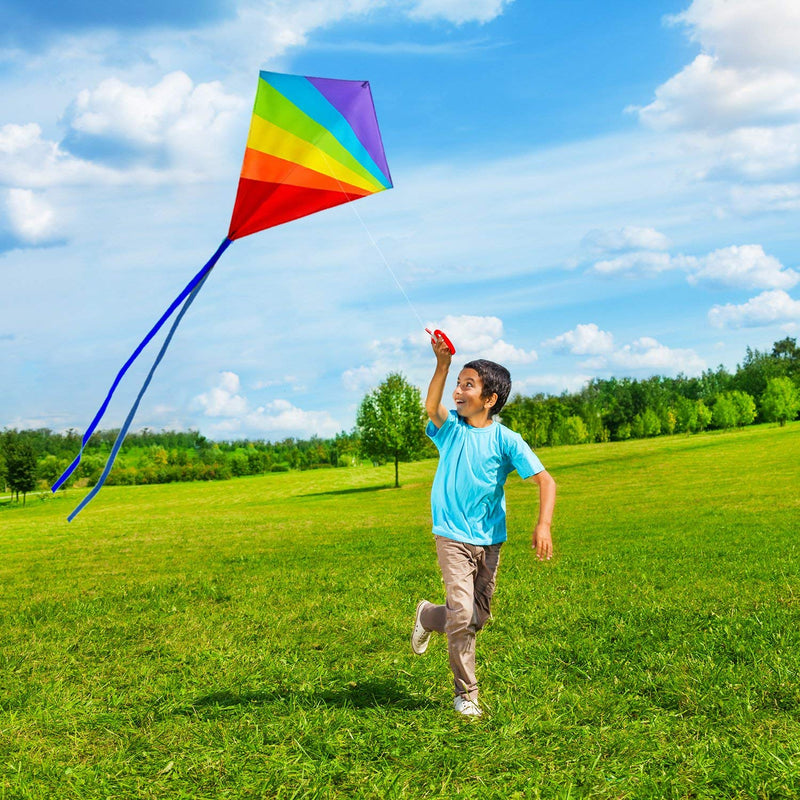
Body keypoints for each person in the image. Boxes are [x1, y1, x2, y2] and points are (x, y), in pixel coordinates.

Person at [411, 333, 556, 717]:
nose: (458, 392)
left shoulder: (507, 440)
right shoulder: (451, 430)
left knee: (477, 616)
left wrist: (543, 525)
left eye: (467, 385)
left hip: (490, 540)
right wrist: (441, 365)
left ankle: (427, 615)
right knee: (462, 615)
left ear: (490, 399)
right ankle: (466, 693)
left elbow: (546, 481)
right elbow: (431, 405)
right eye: (458, 384)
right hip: (451, 535)